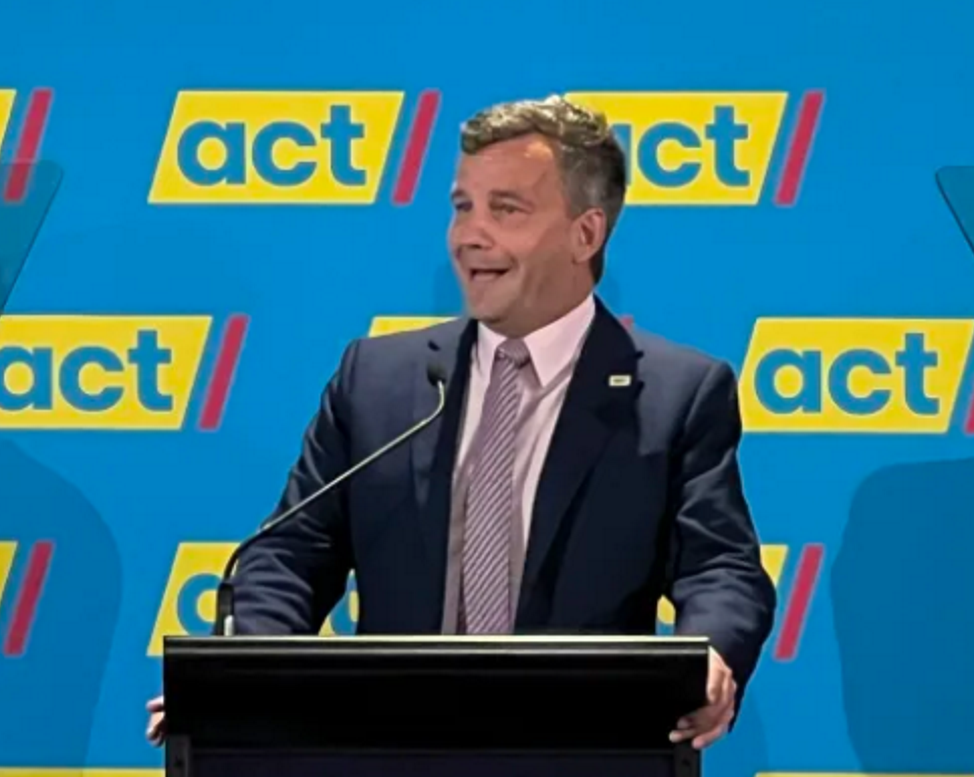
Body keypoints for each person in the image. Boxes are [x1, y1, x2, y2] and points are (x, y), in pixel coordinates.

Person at [147, 95, 776, 751]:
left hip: (580, 751)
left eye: (506, 209)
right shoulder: (376, 379)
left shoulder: (676, 393)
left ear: (585, 234)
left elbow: (721, 567)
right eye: (462, 206)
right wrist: (255, 676)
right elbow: (288, 553)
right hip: (384, 753)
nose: (469, 235)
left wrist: (712, 654)